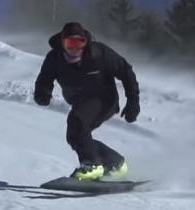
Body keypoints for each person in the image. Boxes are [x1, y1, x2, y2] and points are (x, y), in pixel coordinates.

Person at [33, 22, 140, 180]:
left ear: (85, 42)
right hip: (79, 101)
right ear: (62, 43)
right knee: (75, 135)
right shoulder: (54, 58)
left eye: (79, 43)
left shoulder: (99, 53)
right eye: (70, 43)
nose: (75, 48)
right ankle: (115, 162)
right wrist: (43, 93)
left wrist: (133, 101)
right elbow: (44, 78)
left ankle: (92, 164)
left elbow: (126, 71)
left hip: (104, 99)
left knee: (77, 122)